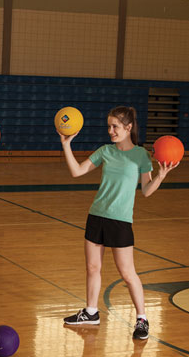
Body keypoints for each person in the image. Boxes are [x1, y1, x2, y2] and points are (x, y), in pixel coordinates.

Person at [60, 106, 179, 340]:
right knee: (92, 268)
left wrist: (161, 176)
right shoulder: (105, 151)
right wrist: (66, 145)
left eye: (115, 126)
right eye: (109, 126)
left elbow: (145, 190)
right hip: (96, 216)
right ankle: (91, 312)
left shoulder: (141, 156)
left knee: (127, 273)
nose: (110, 131)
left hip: (120, 221)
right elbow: (77, 171)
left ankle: (142, 319)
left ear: (129, 127)